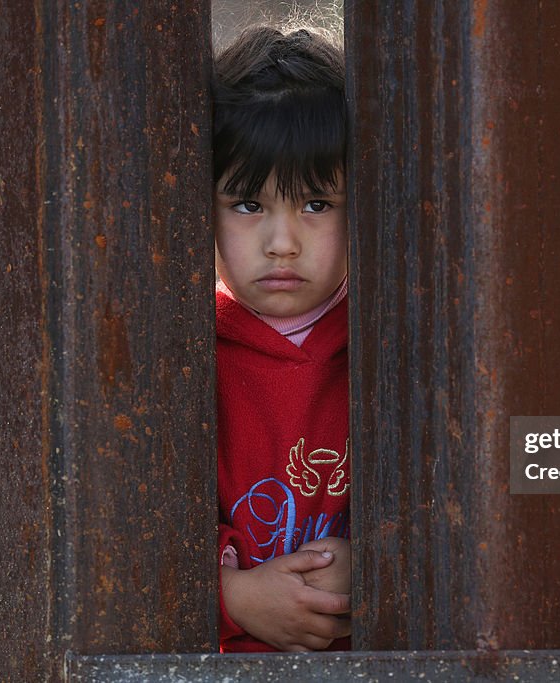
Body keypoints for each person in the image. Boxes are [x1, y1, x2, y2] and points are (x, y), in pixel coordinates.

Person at [213, 23, 352, 653]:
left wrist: (374, 567)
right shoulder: (181, 355)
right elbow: (122, 535)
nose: (282, 242)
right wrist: (233, 598)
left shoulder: (390, 348)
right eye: (248, 205)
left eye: (317, 204)